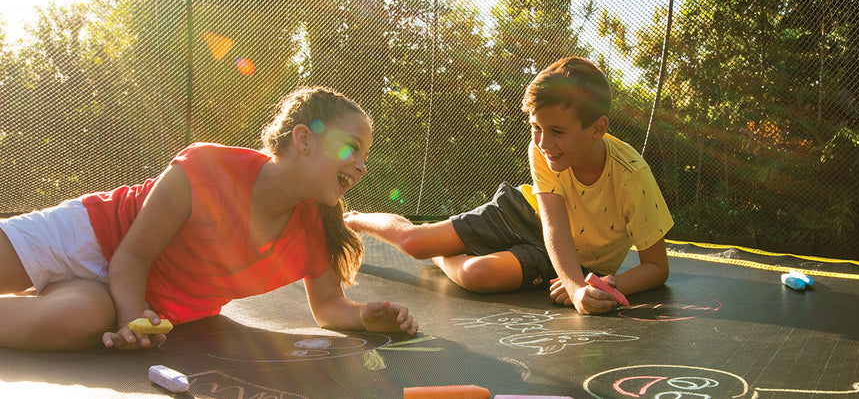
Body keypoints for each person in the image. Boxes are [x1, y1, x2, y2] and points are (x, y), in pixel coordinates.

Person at [0, 86, 418, 351]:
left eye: (365, 155)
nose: (362, 165)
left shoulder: (315, 230)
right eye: (352, 148)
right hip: (91, 235)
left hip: (119, 297)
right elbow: (133, 256)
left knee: (75, 322)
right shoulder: (208, 167)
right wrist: (132, 318)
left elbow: (328, 306)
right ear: (304, 140)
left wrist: (366, 316)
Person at [345, 57, 674, 315]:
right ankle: (352, 219)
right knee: (414, 242)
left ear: (597, 129)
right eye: (536, 127)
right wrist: (574, 290)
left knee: (477, 275)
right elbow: (554, 226)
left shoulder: (632, 177)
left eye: (557, 131)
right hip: (523, 212)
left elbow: (657, 267)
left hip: (572, 261)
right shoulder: (544, 150)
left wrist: (602, 286)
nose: (544, 142)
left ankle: (441, 256)